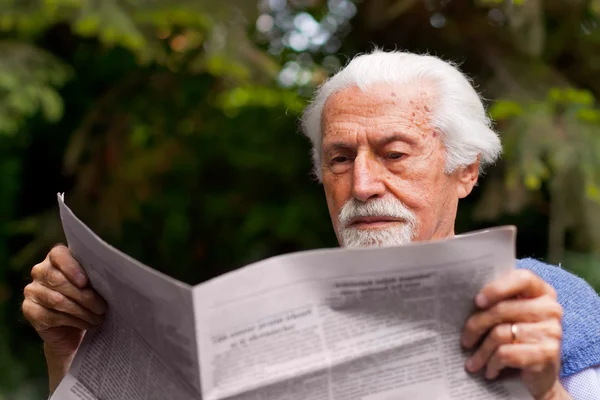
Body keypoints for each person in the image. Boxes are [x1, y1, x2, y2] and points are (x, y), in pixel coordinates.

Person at [23, 50, 600, 399]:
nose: (364, 184)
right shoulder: (258, 312)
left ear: (465, 171)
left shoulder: (551, 303)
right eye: (340, 159)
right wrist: (70, 356)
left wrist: (545, 390)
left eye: (395, 154)